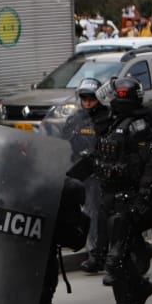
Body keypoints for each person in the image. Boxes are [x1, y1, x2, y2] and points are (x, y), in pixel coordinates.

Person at [91, 77, 152, 304]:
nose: (116, 97)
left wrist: (142, 200)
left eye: (120, 93)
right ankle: (140, 287)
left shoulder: (140, 125)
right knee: (116, 251)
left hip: (131, 199)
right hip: (113, 197)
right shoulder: (116, 122)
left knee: (117, 258)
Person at [64, 78, 113, 273]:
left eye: (91, 98)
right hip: (83, 173)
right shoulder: (75, 118)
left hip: (104, 172)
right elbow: (64, 141)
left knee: (103, 212)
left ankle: (103, 252)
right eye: (83, 98)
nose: (87, 102)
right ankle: (95, 251)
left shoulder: (108, 117)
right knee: (88, 212)